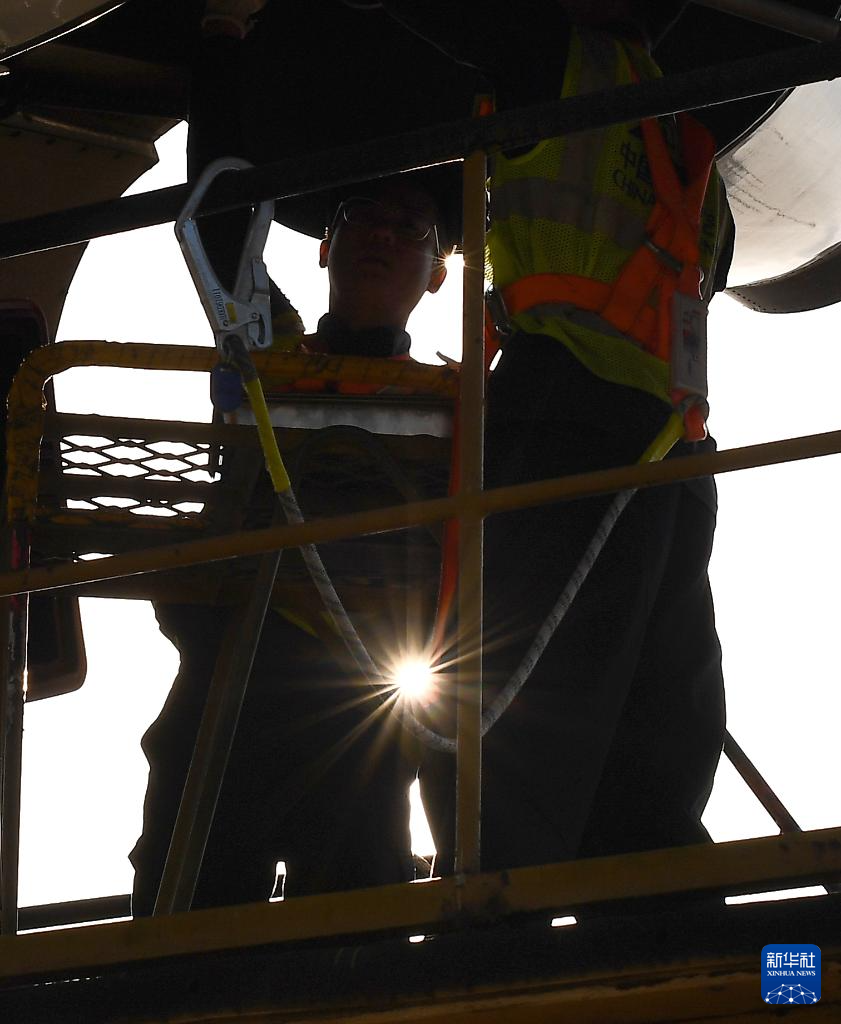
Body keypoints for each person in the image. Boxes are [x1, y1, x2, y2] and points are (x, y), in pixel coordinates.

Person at [383, 1, 732, 878]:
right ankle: (647, 927)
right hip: (653, 446)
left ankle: (508, 923)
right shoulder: (673, 126)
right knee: (634, 739)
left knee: (526, 726)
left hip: (587, 429)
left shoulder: (575, 67)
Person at [130, 172, 456, 914]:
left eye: (411, 226)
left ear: (440, 274)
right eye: (359, 213)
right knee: (182, 917)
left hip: (366, 702)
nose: (382, 232)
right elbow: (217, 225)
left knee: (353, 930)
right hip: (229, 681)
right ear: (324, 246)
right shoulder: (264, 350)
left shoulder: (459, 398)